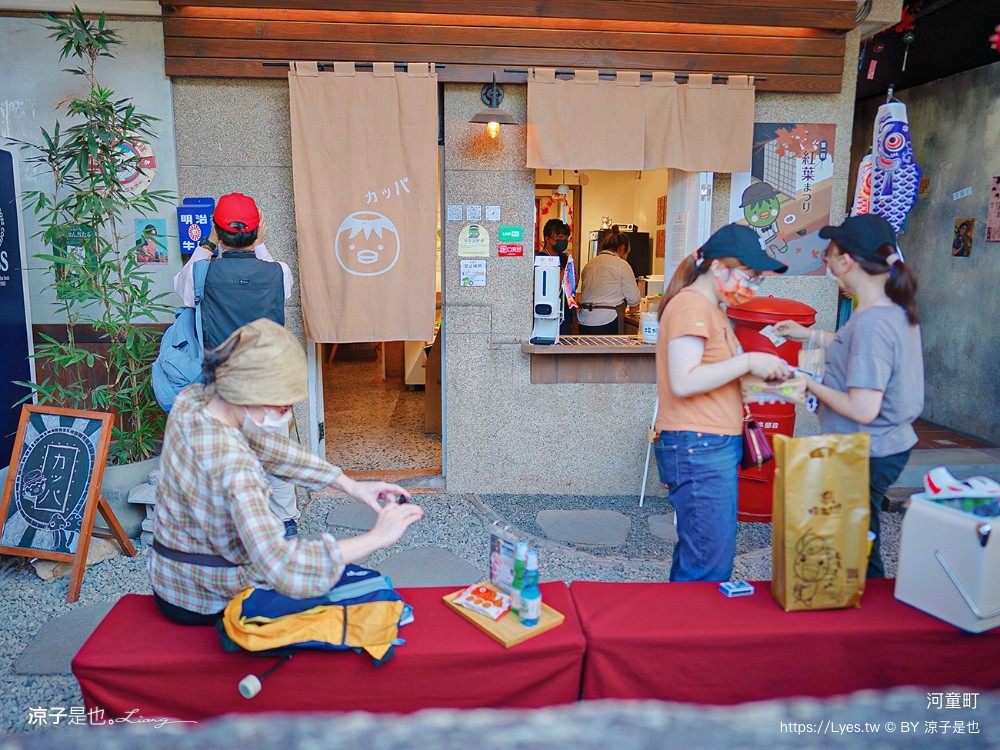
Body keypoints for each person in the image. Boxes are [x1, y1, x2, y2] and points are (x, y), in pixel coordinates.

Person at [148, 318, 425, 625]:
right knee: (351, 601)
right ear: (248, 396)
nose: (288, 415)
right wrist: (377, 537)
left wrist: (351, 485)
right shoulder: (234, 466)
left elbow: (269, 447)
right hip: (206, 598)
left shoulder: (194, 400)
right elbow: (282, 567)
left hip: (170, 577)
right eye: (282, 407)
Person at [774, 214, 923, 579]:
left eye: (829, 252)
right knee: (859, 535)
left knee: (857, 545)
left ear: (847, 261)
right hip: (882, 444)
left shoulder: (873, 322)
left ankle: (865, 605)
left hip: (868, 449)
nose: (826, 259)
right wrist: (808, 335)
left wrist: (805, 382)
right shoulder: (887, 309)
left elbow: (862, 408)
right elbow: (854, 346)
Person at [654, 223, 790, 582]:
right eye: (749, 276)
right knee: (707, 565)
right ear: (718, 267)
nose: (752, 287)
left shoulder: (711, 308)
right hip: (699, 445)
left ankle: (682, 617)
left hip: (708, 444)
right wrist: (748, 362)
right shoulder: (691, 306)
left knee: (701, 556)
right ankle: (693, 620)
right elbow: (685, 380)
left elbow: (712, 375)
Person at [174, 193, 300, 536]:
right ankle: (284, 521)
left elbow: (181, 289)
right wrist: (259, 243)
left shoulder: (200, 274)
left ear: (217, 231)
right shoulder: (279, 272)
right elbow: (281, 284)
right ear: (258, 232)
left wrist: (206, 243)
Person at [576, 226, 641, 335]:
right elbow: (634, 299)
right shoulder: (622, 265)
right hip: (607, 320)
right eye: (627, 252)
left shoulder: (589, 264)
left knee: (587, 347)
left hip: (584, 320)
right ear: (622, 249)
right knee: (608, 347)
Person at [536, 218, 574, 335]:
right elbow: (550, 286)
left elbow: (569, 285)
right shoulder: (540, 259)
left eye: (566, 237)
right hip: (547, 311)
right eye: (560, 237)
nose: (563, 241)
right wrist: (565, 274)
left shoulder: (564, 258)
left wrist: (573, 281)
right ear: (547, 239)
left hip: (565, 311)